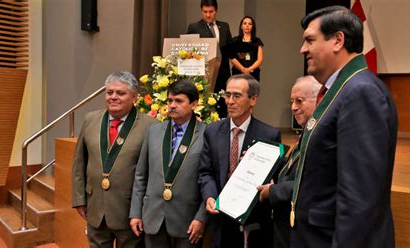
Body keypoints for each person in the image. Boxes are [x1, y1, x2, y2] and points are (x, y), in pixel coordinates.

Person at [291, 6, 398, 248]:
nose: (302, 49)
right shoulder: (342, 89)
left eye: (309, 40)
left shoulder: (360, 91)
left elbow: (359, 199)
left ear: (338, 40)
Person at [72, 71, 157, 248]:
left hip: (130, 212)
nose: (113, 97)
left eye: (120, 93)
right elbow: (79, 162)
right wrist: (79, 199)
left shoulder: (150, 126)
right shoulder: (90, 120)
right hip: (95, 208)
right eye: (109, 92)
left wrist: (142, 210)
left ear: (134, 97)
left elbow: (153, 173)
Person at [198, 74, 281, 248]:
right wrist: (210, 196)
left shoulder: (269, 135)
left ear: (253, 100)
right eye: (227, 95)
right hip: (220, 217)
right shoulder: (212, 132)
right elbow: (206, 172)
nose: (230, 101)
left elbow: (273, 178)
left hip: (252, 221)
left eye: (236, 96)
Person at [129, 79, 207, 248]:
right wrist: (135, 212)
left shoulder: (206, 134)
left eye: (178, 101)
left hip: (187, 221)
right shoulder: (154, 131)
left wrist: (201, 217)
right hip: (153, 217)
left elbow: (211, 180)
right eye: (170, 100)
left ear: (193, 104)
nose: (172, 105)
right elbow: (141, 175)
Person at [256, 76, 321, 248]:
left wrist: (274, 191)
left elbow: (315, 183)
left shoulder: (322, 136)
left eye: (299, 101)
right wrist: (259, 159)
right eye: (291, 101)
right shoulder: (308, 132)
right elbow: (292, 168)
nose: (293, 107)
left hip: (303, 230)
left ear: (320, 98)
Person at [187, 0, 232, 118]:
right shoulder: (194, 27)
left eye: (211, 12)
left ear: (216, 11)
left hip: (222, 74)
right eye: (205, 12)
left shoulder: (225, 26)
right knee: (204, 107)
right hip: (204, 75)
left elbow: (229, 48)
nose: (207, 15)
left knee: (222, 106)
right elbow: (189, 50)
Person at [229, 16, 264, 81]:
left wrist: (250, 69)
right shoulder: (235, 40)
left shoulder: (257, 41)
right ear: (241, 26)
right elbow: (232, 58)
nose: (247, 25)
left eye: (250, 24)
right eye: (245, 23)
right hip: (237, 73)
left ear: (252, 27)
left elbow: (260, 59)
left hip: (253, 73)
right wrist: (242, 69)